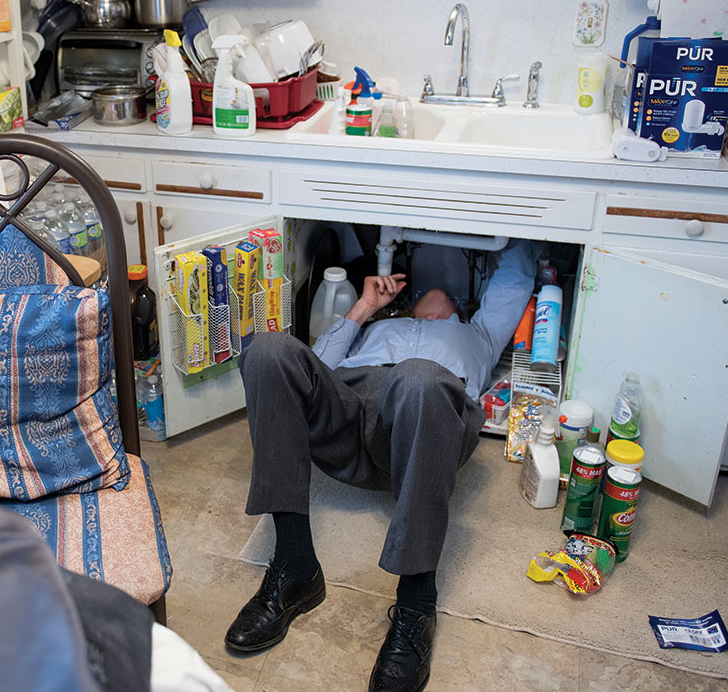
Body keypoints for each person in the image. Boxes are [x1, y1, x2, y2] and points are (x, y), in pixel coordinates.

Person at [225, 239, 538, 692]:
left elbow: (515, 275)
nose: (436, 295)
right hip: (348, 415)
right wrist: (365, 308)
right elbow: (319, 364)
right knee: (268, 350)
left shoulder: (480, 333)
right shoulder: (378, 325)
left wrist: (514, 217)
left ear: (459, 308)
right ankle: (295, 566)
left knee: (418, 377)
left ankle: (415, 605)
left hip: (424, 427)